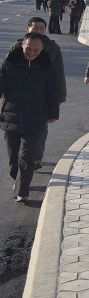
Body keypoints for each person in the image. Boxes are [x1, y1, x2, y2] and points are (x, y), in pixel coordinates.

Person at [0, 33, 59, 203]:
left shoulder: (47, 66)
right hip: (10, 114)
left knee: (28, 154)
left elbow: (52, 91)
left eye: (36, 49)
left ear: (41, 49)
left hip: (35, 115)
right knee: (13, 155)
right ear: (22, 45)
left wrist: (52, 113)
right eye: (28, 48)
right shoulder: (9, 63)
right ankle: (16, 178)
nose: (31, 52)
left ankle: (22, 190)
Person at [8, 18, 67, 170]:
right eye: (35, 28)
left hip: (43, 97)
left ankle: (35, 156)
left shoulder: (53, 48)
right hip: (18, 97)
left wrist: (59, 97)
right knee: (16, 130)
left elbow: (59, 74)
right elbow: (6, 71)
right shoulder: (17, 46)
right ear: (27, 28)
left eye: (42, 28)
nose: (39, 30)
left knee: (40, 127)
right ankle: (22, 157)